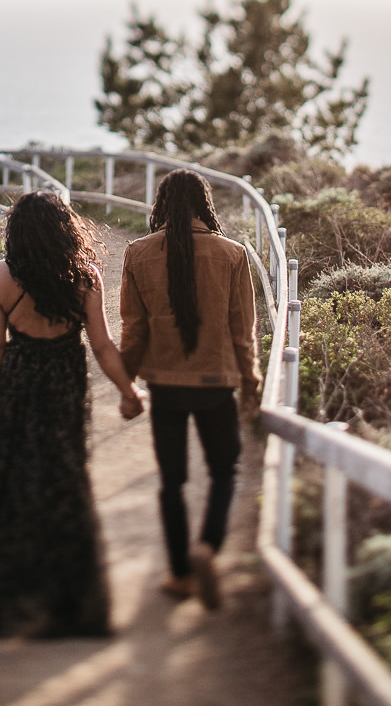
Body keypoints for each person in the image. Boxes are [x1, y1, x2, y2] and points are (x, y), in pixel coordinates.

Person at [0, 191, 144, 637]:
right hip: (63, 383)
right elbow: (103, 346)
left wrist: (0, 404)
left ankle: (7, 596)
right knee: (65, 480)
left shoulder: (0, 276)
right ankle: (67, 605)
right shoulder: (84, 277)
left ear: (17, 232)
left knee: (12, 485)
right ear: (63, 229)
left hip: (18, 381)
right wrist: (128, 391)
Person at [119, 168, 261, 611]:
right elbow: (244, 331)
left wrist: (127, 387)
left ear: (161, 205)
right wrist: (251, 383)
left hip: (164, 385)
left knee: (172, 481)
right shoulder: (233, 254)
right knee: (224, 471)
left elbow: (133, 329)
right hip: (217, 382)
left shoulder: (138, 253)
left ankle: (181, 574)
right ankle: (208, 546)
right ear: (205, 205)